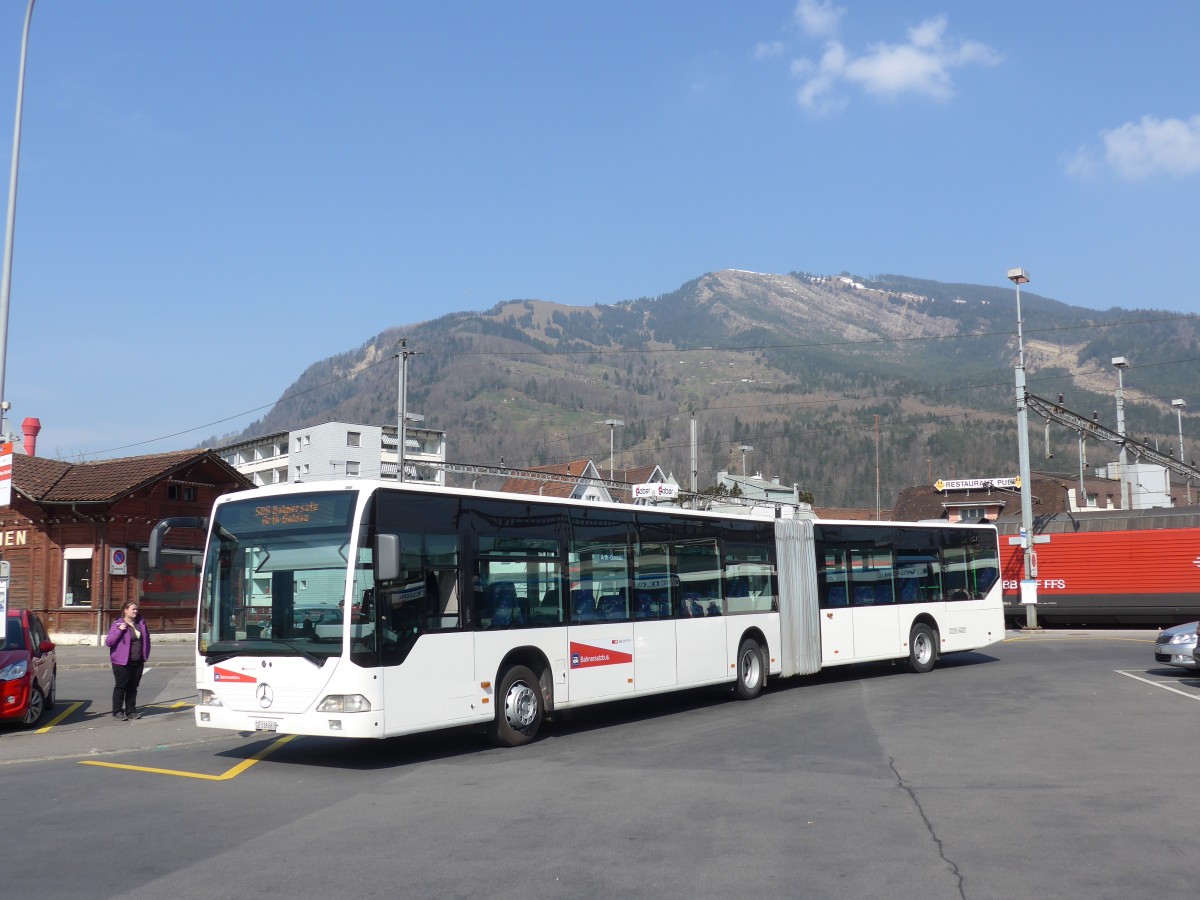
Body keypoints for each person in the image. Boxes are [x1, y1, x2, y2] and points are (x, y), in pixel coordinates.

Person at [106, 599, 151, 721]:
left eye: (137, 609)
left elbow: (146, 639)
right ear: (125, 611)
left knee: (133, 687)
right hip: (121, 661)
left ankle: (131, 710)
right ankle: (117, 711)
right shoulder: (117, 624)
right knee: (121, 687)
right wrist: (119, 630)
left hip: (138, 660)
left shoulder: (140, 623)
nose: (136, 611)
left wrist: (145, 654)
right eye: (133, 609)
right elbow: (109, 642)